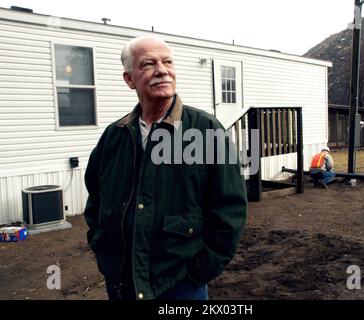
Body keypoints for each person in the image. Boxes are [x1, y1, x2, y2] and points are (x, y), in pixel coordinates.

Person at [83, 36, 248, 300]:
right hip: (121, 283)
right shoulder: (114, 136)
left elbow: (230, 210)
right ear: (129, 79)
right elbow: (96, 202)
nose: (162, 70)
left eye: (167, 62)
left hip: (180, 286)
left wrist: (197, 274)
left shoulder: (205, 130)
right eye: (148, 64)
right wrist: (103, 249)